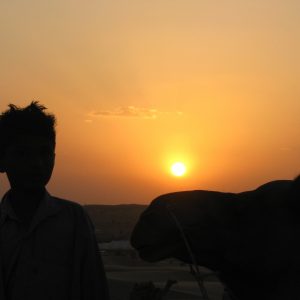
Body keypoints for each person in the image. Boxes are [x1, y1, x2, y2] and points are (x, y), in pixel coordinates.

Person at [0, 101, 110, 300]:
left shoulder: (74, 220)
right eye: (22, 154)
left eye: (44, 153)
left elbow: (94, 288)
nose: (36, 164)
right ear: (2, 160)